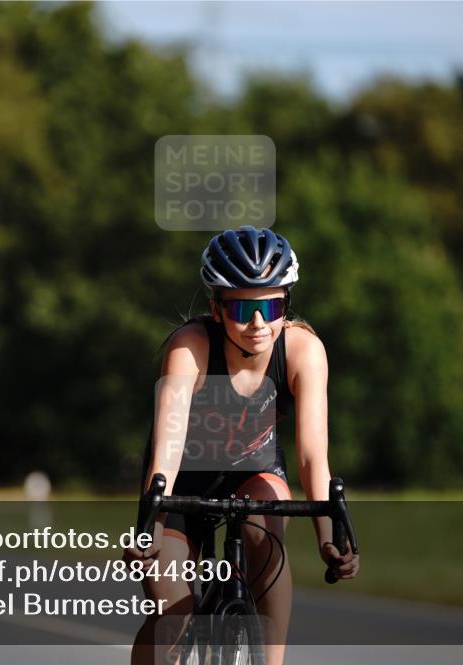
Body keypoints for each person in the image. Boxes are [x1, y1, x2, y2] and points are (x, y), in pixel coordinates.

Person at [126, 226, 359, 665]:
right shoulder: (188, 347)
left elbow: (313, 456)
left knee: (264, 533)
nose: (258, 324)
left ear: (286, 305)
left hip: (255, 469)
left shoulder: (304, 350)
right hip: (182, 476)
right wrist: (150, 527)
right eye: (241, 308)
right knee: (170, 610)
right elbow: (168, 445)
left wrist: (330, 538)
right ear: (216, 308)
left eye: (271, 306)